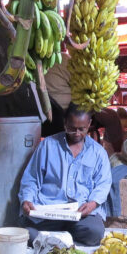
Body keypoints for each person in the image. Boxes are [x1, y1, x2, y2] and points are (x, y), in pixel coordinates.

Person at [18, 104, 112, 246]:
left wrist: (93, 203)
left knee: (95, 233)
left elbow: (103, 184)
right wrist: (27, 200)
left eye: (82, 129)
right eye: (72, 128)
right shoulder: (48, 145)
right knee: (27, 233)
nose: (77, 133)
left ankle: (53, 238)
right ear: (65, 123)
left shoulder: (98, 152)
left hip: (80, 213)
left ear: (89, 124)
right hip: (49, 209)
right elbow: (31, 178)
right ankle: (61, 238)